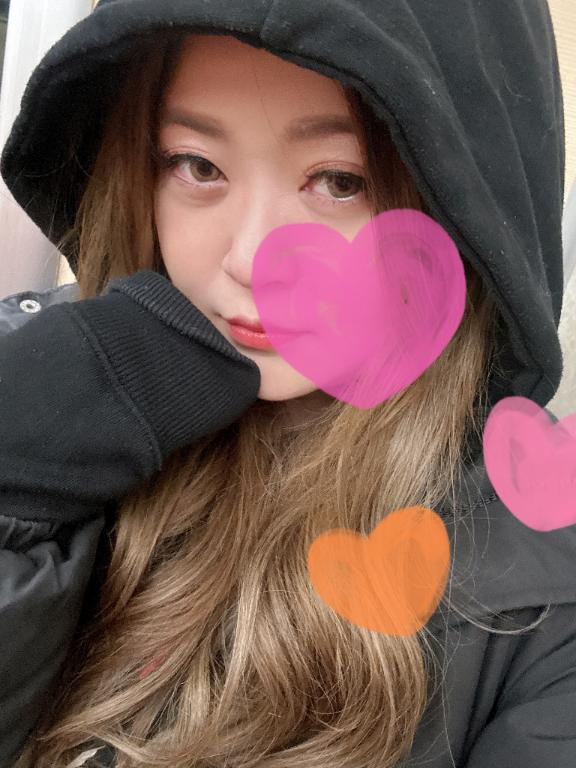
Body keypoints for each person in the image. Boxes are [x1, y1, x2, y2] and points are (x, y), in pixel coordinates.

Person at [0, 1, 575, 767]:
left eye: (339, 181)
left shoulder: (543, 609)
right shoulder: (50, 365)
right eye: (198, 166)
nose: (251, 259)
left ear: (463, 211)